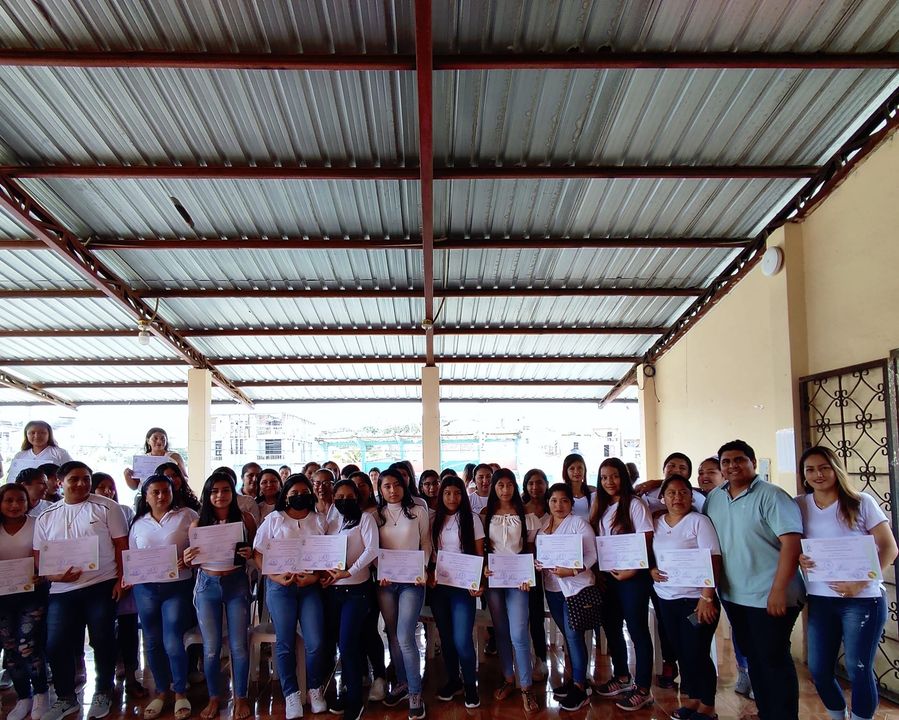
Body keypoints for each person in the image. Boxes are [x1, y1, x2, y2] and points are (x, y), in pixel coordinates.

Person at [703, 439, 804, 720]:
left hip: (770, 595)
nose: (732, 466)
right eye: (726, 462)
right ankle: (766, 711)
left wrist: (778, 590)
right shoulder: (715, 497)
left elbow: (792, 544)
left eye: (739, 460)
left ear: (753, 463)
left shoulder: (772, 496)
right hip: (734, 595)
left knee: (773, 659)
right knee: (754, 658)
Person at [797, 446, 897, 720]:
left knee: (858, 668)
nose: (818, 474)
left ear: (836, 469)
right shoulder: (799, 504)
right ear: (804, 475)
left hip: (863, 600)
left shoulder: (860, 502)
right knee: (819, 669)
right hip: (820, 599)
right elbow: (792, 542)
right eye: (810, 469)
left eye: (824, 467)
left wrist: (860, 583)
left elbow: (889, 548)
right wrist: (799, 557)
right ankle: (837, 715)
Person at [34, 461, 128, 720]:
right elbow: (39, 557)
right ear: (59, 482)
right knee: (56, 643)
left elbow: (121, 545)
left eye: (86, 478)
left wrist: (121, 579)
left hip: (101, 584)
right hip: (61, 590)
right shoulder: (46, 516)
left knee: (103, 639)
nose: (81, 483)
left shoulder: (107, 507)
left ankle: (103, 691)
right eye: (74, 479)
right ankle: (65, 698)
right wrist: (55, 576)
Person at [252, 474, 328, 719]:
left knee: (315, 642)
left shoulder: (319, 520)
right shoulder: (273, 519)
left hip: (310, 588)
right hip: (280, 588)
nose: (299, 497)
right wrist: (275, 577)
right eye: (294, 493)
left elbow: (329, 555)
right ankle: (291, 694)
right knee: (284, 642)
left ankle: (315, 689)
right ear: (285, 496)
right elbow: (258, 553)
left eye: (304, 492)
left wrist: (315, 578)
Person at [184, 472, 256, 720]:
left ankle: (241, 697)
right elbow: (192, 562)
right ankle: (214, 697)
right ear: (207, 495)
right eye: (214, 491)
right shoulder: (197, 524)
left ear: (232, 492)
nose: (220, 495)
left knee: (239, 646)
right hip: (207, 584)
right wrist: (187, 559)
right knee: (212, 648)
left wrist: (250, 553)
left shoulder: (245, 519)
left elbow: (255, 550)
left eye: (225, 490)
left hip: (236, 583)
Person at [650, 475, 722, 720]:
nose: (677, 497)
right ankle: (692, 700)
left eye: (683, 492)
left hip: (695, 601)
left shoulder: (699, 522)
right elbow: (652, 555)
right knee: (681, 651)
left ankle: (708, 706)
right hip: (666, 599)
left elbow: (713, 559)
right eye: (671, 493)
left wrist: (707, 597)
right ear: (663, 497)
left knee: (696, 651)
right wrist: (651, 570)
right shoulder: (657, 523)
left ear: (692, 497)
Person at [127, 474, 198, 720]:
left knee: (172, 639)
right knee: (152, 641)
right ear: (145, 497)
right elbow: (133, 557)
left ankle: (179, 692)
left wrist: (188, 559)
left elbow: (200, 550)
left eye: (165, 491)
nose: (161, 496)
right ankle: (160, 691)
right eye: (155, 492)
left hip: (177, 587)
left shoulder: (187, 515)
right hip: (145, 589)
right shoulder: (138, 523)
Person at [590, 457, 655, 711]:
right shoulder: (600, 505)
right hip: (608, 576)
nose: (609, 482)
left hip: (633, 578)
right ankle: (622, 676)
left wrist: (632, 570)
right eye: (604, 477)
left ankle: (643, 688)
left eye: (614, 476)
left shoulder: (635, 504)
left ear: (624, 478)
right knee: (612, 626)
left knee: (637, 629)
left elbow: (646, 539)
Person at [483, 468, 540, 713]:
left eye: (509, 485)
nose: (505, 490)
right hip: (495, 581)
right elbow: (482, 549)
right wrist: (484, 568)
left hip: (519, 581)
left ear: (515, 486)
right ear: (494, 488)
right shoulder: (485, 515)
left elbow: (531, 549)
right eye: (500, 485)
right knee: (502, 631)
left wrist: (528, 574)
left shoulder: (526, 514)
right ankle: (508, 678)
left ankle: (526, 686)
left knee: (519, 632)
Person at [375, 468, 431, 719]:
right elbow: (372, 548)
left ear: (404, 486)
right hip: (386, 583)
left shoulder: (418, 511)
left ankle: (416, 693)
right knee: (393, 635)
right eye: (387, 486)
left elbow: (426, 543)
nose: (392, 490)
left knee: (405, 635)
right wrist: (379, 569)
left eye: (396, 485)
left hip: (412, 582)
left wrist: (424, 568)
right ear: (380, 489)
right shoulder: (375, 515)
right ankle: (403, 682)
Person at [537, 482, 598, 712]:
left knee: (573, 637)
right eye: (554, 500)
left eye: (564, 501)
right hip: (553, 589)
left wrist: (572, 571)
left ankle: (580, 687)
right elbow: (543, 555)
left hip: (576, 588)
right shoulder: (545, 526)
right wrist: (539, 563)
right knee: (568, 635)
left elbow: (592, 555)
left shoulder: (578, 524)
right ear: (548, 503)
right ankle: (575, 681)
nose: (558, 505)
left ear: (571, 504)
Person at [322, 479, 380, 720]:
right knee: (339, 644)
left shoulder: (365, 519)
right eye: (339, 497)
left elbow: (372, 549)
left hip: (357, 590)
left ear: (357, 497)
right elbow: (321, 547)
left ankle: (355, 700)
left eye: (349, 497)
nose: (344, 501)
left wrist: (349, 571)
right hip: (332, 591)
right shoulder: (331, 519)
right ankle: (345, 690)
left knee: (348, 644)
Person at [696, 456, 752, 698]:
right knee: (736, 625)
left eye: (711, 471)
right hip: (713, 579)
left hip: (743, 576)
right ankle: (744, 671)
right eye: (701, 472)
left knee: (746, 627)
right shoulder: (707, 500)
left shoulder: (736, 498)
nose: (704, 476)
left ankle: (752, 674)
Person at [429, 475, 484, 709]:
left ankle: (470, 685)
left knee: (462, 639)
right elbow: (430, 553)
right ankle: (454, 681)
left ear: (463, 495)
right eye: (447, 493)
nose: (452, 498)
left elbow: (479, 554)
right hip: (440, 587)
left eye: (457, 493)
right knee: (447, 638)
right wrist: (430, 574)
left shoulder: (472, 519)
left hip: (463, 587)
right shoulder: (434, 519)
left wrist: (479, 582)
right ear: (441, 495)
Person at [91, 472, 146, 698]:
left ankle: (131, 675)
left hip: (124, 578)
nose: (108, 491)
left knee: (128, 629)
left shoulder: (124, 511)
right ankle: (106, 678)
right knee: (101, 633)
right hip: (98, 581)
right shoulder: (88, 513)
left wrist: (127, 575)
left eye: (111, 487)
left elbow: (131, 544)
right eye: (102, 487)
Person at [0, 483, 49, 720]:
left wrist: (43, 572)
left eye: (20, 500)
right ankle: (23, 696)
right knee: (10, 648)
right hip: (2, 598)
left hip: (32, 594)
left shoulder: (37, 524)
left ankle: (41, 693)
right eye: (8, 500)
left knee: (27, 645)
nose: (14, 505)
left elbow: (48, 556)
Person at [346, 471, 387, 701]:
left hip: (374, 578)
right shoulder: (341, 514)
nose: (358, 489)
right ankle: (361, 673)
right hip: (347, 582)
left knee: (370, 629)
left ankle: (380, 676)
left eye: (362, 484)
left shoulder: (376, 512)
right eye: (353, 485)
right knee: (353, 631)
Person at [520, 468, 549, 680]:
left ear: (546, 484)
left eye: (539, 482)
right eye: (531, 483)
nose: (535, 487)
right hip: (530, 569)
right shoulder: (520, 510)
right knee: (534, 614)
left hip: (556, 569)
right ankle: (537, 657)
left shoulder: (554, 506)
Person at [7, 422, 72, 484]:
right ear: (26, 435)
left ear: (49, 434)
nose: (37, 436)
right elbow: (11, 478)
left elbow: (71, 473)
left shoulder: (60, 453)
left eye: (42, 433)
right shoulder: (20, 455)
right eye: (32, 433)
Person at [561, 453, 592, 520]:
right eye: (572, 468)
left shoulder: (593, 492)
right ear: (566, 471)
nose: (576, 472)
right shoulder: (561, 493)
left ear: (584, 470)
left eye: (580, 468)